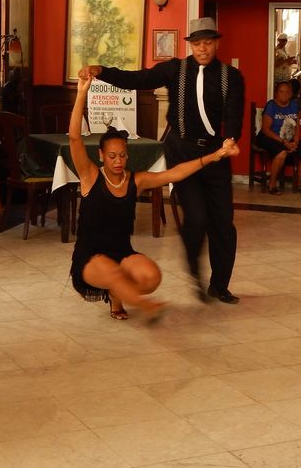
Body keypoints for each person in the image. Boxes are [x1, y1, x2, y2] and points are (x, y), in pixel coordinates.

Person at [79, 17, 245, 304]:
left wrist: (230, 139)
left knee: (223, 223)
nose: (203, 48)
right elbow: (137, 79)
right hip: (182, 151)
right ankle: (194, 269)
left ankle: (220, 285)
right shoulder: (174, 69)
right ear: (190, 45)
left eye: (208, 42)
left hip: (216, 154)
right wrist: (102, 71)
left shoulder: (231, 76)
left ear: (216, 44)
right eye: (197, 43)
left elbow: (233, 114)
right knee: (196, 218)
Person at [68, 74, 237, 321]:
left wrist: (212, 157)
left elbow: (174, 173)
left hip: (121, 252)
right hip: (90, 257)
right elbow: (75, 138)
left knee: (151, 277)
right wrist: (82, 93)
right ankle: (147, 306)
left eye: (122, 155)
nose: (118, 161)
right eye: (112, 156)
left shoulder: (136, 181)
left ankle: (117, 294)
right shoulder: (90, 176)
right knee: (113, 274)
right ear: (101, 156)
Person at [256, 80, 301, 194]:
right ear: (276, 93)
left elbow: (296, 125)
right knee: (282, 152)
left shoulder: (294, 105)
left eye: (287, 92)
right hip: (268, 137)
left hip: (288, 138)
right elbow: (266, 129)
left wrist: (295, 141)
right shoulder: (271, 105)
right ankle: (272, 185)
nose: (284, 94)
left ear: (291, 94)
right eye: (281, 92)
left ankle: (298, 184)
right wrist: (284, 142)